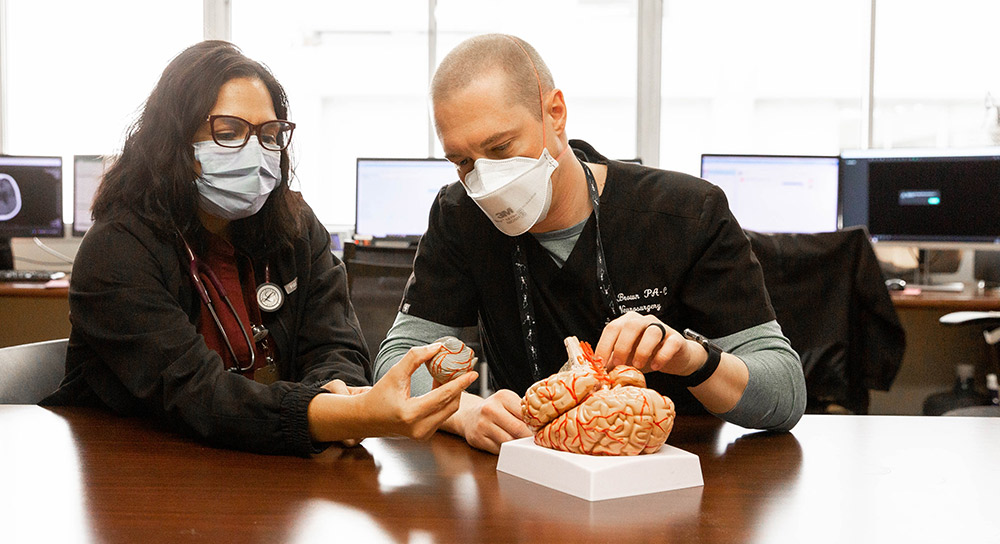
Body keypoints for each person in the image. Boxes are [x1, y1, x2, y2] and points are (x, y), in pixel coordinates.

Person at [374, 34, 807, 454]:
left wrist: (694, 360)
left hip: (673, 483)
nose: (485, 182)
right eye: (463, 161)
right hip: (531, 476)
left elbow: (785, 394)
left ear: (555, 114)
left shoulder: (686, 214)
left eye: (501, 148)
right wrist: (463, 411)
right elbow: (395, 363)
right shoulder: (460, 215)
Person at [43, 41, 477, 456]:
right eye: (229, 132)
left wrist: (338, 391)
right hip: (141, 474)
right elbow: (197, 394)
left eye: (270, 134)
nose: (256, 152)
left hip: (267, 475)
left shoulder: (295, 225)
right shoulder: (117, 251)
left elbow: (335, 344)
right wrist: (342, 415)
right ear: (172, 143)